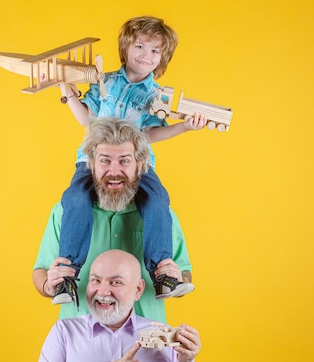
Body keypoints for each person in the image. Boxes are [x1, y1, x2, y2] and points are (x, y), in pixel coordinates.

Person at [54, 16, 207, 305]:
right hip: (93, 162)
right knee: (75, 198)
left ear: (163, 59)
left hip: (137, 163)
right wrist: (67, 92)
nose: (146, 55)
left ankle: (162, 274)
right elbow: (87, 119)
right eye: (140, 46)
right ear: (126, 48)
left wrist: (185, 126)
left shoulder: (155, 95)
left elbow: (149, 133)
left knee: (157, 200)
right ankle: (66, 276)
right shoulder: (105, 82)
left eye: (154, 51)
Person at [33, 117, 194, 323]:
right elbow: (40, 271)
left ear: (141, 165)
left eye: (125, 161)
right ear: (91, 164)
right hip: (79, 338)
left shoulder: (162, 214)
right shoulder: (65, 212)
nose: (114, 171)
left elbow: (185, 273)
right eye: (105, 161)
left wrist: (180, 278)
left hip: (144, 340)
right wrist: (49, 284)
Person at [29, 249, 206, 362]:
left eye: (116, 282)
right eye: (95, 280)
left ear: (138, 290)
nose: (103, 291)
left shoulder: (163, 336)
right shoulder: (65, 332)